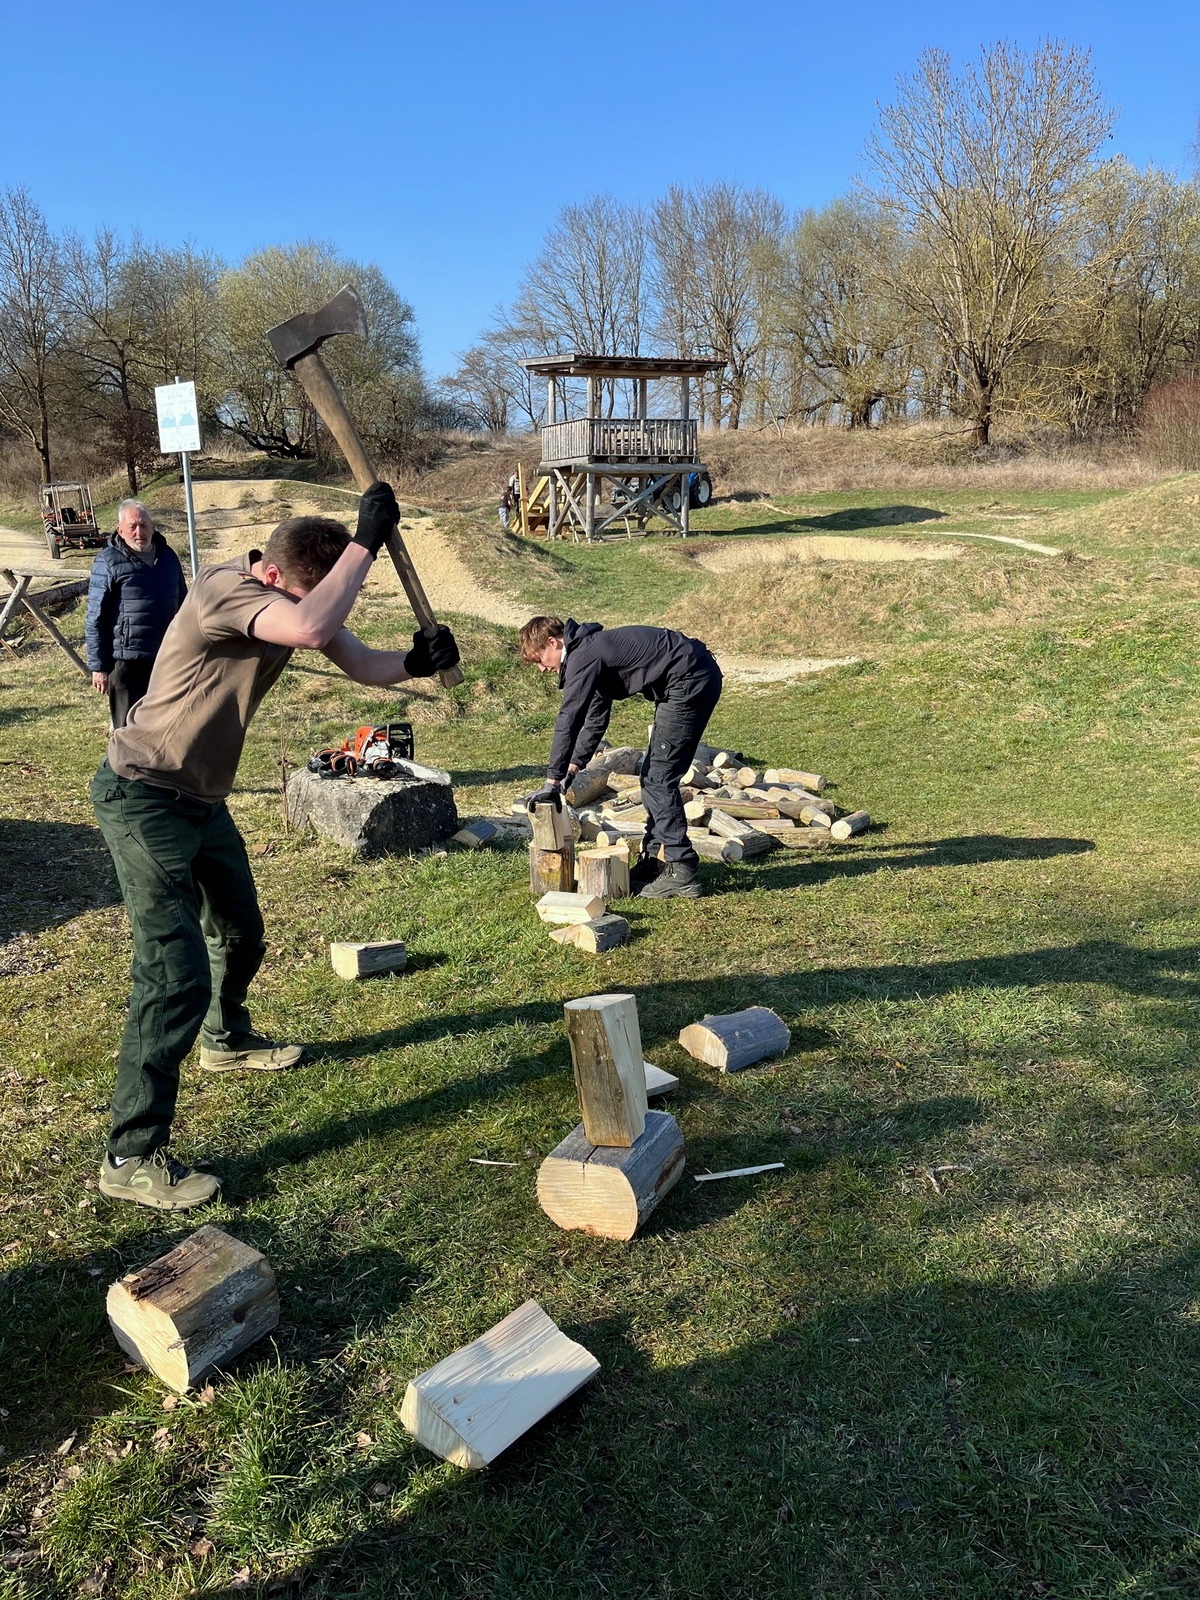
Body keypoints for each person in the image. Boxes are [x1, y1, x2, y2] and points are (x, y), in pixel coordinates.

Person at [90, 485, 459, 1212]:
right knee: (174, 972)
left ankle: (226, 1039)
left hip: (200, 799)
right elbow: (317, 629)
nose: (310, 611)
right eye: (303, 598)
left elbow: (357, 658)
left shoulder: (287, 597)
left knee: (241, 933)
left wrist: (414, 663)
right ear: (274, 577)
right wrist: (366, 542)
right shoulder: (225, 587)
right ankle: (130, 1154)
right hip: (142, 792)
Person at [519, 616, 722, 900]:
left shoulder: (584, 655)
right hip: (688, 677)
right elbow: (593, 722)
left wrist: (552, 781)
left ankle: (681, 870)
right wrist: (571, 771)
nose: (541, 668)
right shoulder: (590, 653)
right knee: (653, 776)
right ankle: (657, 861)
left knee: (659, 779)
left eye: (539, 658)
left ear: (553, 642)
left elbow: (569, 719)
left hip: (690, 679)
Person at [85, 500, 188, 729]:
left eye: (143, 525)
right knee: (126, 730)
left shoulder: (168, 558)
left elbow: (184, 605)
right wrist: (98, 667)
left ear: (153, 527)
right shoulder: (108, 562)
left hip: (165, 658)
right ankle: (122, 766)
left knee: (162, 725)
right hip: (125, 661)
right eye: (132, 526)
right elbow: (95, 617)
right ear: (120, 530)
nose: (139, 532)